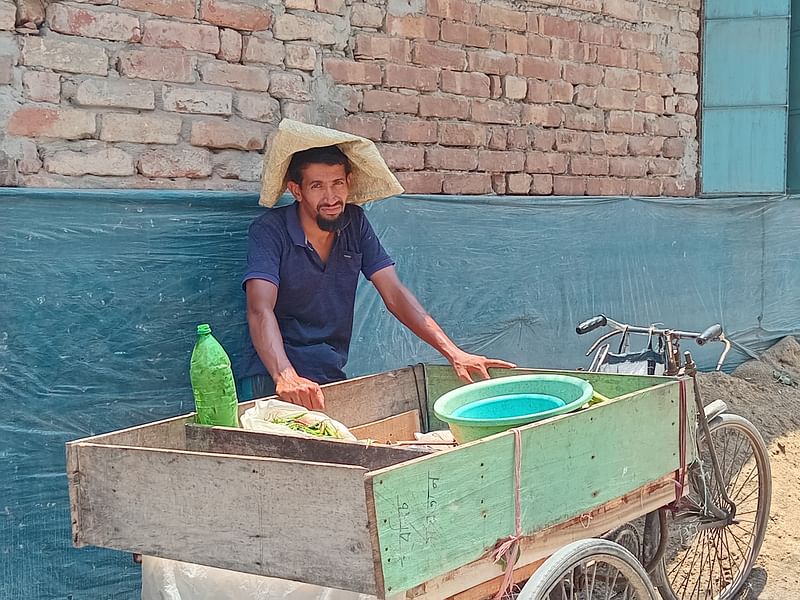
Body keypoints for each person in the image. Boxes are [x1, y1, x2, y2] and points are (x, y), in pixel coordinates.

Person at [240, 120, 515, 409]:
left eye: (338, 184)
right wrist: (285, 375)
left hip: (328, 370)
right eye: (317, 186)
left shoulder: (354, 222)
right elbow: (260, 308)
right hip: (270, 376)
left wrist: (454, 353)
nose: (331, 197)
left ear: (348, 183)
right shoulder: (270, 229)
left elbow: (394, 293)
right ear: (297, 190)